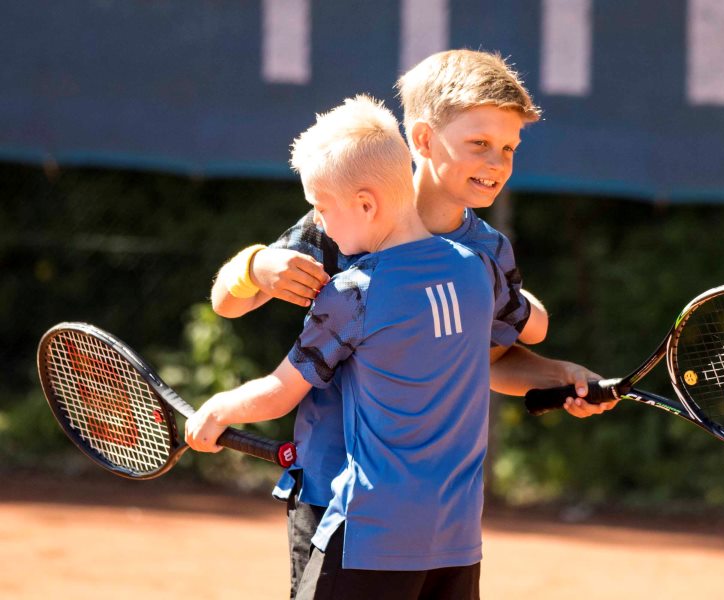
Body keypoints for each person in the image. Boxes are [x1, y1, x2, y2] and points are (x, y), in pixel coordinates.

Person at [209, 49, 618, 594]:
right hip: (332, 500)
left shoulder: (487, 254)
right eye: (479, 144)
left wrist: (556, 374)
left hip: (432, 524)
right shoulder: (347, 215)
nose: (496, 163)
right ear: (422, 140)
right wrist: (256, 267)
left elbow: (489, 362)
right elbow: (225, 304)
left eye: (508, 149)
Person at [187, 94, 510, 599]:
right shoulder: (476, 270)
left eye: (321, 208)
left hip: (367, 536)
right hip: (457, 541)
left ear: (366, 203)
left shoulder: (353, 291)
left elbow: (279, 391)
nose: (320, 225)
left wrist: (217, 409)